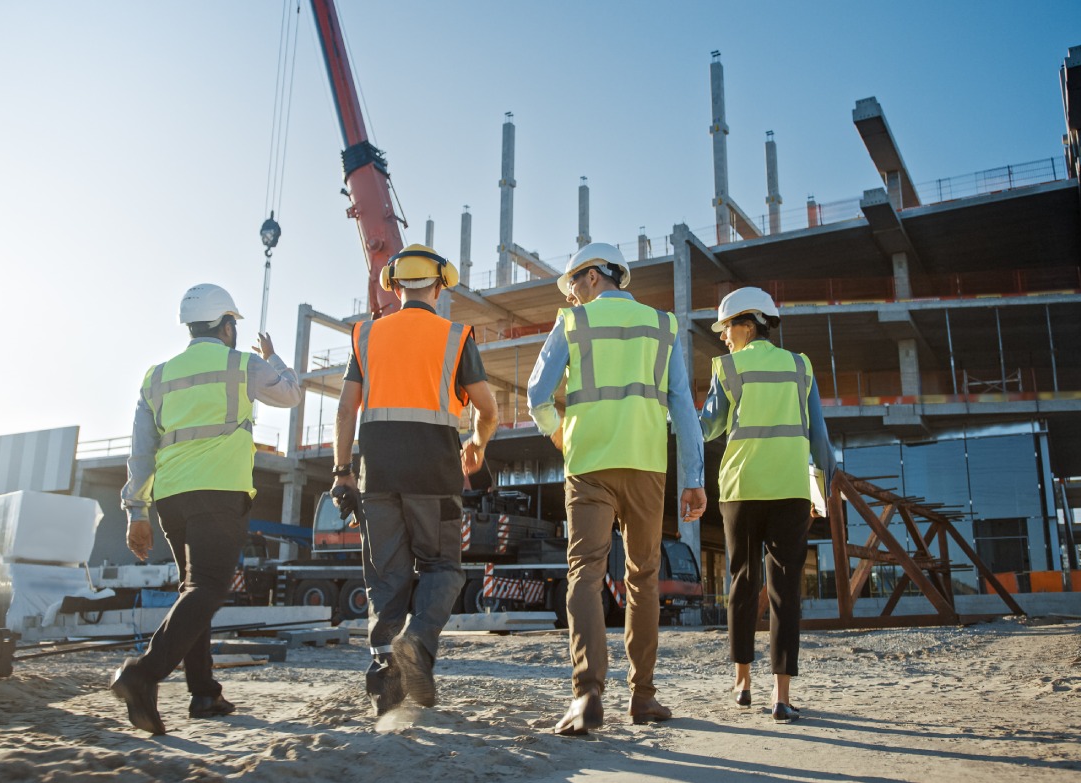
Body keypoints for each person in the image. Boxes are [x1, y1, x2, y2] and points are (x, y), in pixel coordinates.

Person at [527, 242, 706, 736]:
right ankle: (643, 697)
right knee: (643, 578)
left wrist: (559, 432)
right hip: (647, 466)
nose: (573, 299)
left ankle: (587, 695)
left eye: (573, 288)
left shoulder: (573, 324)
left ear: (590, 277)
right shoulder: (663, 326)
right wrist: (693, 479)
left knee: (584, 575)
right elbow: (683, 409)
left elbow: (536, 394)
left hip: (588, 465)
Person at [113, 283, 304, 735]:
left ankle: (204, 693)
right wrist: (274, 359)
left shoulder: (156, 376)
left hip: (171, 498)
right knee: (209, 588)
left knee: (193, 591)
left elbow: (140, 452)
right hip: (218, 492)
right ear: (227, 325)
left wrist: (135, 511)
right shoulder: (243, 365)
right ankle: (142, 674)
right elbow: (291, 395)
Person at [332, 244, 498, 717]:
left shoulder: (365, 335)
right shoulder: (455, 335)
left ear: (394, 284)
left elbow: (346, 409)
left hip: (377, 476)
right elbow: (489, 410)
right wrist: (477, 444)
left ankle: (387, 695)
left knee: (387, 580)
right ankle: (418, 642)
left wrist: (343, 471)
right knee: (443, 568)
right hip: (435, 474)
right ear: (440, 284)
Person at [699, 287, 835, 724]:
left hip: (740, 488)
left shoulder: (728, 368)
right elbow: (819, 437)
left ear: (748, 323)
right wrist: (822, 490)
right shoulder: (801, 366)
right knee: (785, 591)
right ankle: (781, 696)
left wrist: (672, 410)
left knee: (741, 581)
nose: (723, 337)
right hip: (790, 489)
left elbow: (708, 427)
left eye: (727, 328)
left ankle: (741, 683)